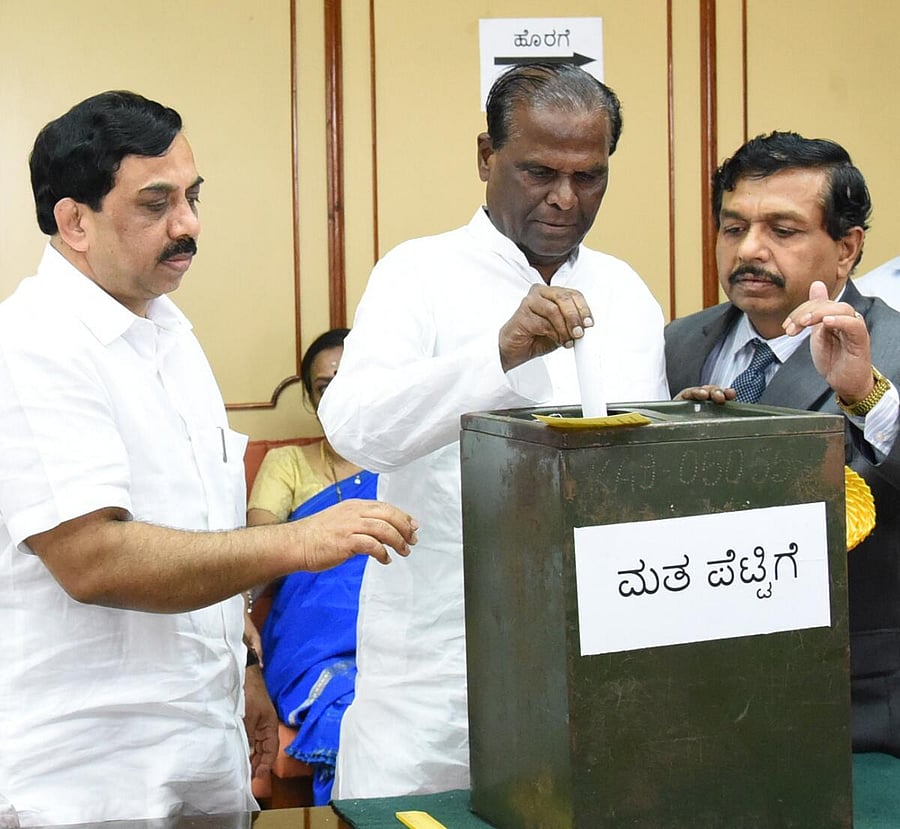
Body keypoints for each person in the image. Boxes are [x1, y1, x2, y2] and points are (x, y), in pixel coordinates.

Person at [0, 91, 417, 827]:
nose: (188, 224)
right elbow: (92, 557)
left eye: (191, 196)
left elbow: (199, 532)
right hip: (88, 779)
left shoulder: (171, 335)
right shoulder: (33, 344)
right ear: (74, 221)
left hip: (203, 749)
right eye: (155, 203)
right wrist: (297, 541)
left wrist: (247, 672)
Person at [318, 62, 669, 798]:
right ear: (486, 156)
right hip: (440, 681)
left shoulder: (628, 292)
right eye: (539, 170)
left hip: (597, 676)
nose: (565, 198)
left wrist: (688, 428)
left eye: (590, 176)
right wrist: (496, 356)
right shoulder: (417, 273)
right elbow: (354, 427)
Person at [665, 131, 900, 756]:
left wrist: (865, 395)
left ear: (846, 249)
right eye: (732, 226)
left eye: (784, 230)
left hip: (853, 707)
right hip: (699, 695)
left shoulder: (893, 346)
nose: (750, 250)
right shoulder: (679, 343)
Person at [247, 328, 376, 804]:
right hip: (315, 647)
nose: (337, 395)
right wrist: (238, 613)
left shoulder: (410, 463)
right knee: (352, 712)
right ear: (310, 398)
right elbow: (258, 551)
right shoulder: (288, 465)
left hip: (402, 635)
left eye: (350, 378)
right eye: (324, 387)